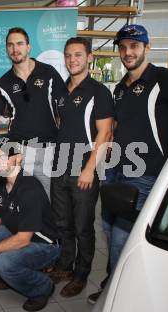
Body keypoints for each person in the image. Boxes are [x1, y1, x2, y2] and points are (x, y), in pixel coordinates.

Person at [87, 24, 168, 304]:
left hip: (144, 176)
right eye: (123, 47)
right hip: (116, 171)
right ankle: (114, 277)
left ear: (147, 48)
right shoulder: (121, 89)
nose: (128, 52)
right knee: (107, 229)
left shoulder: (162, 78)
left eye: (134, 46)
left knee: (121, 239)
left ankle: (117, 294)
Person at [0, 137, 60, 312]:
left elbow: (23, 239)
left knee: (3, 262)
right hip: (16, 233)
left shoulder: (30, 189)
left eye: (6, 156)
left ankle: (43, 287)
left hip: (44, 244)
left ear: (19, 158)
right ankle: (11, 276)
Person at [49, 37, 114, 297]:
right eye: (68, 55)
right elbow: (60, 124)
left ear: (89, 57)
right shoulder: (62, 90)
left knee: (83, 226)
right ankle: (64, 265)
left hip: (83, 167)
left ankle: (81, 273)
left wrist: (89, 169)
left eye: (77, 55)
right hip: (59, 165)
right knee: (62, 222)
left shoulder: (98, 91)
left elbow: (105, 132)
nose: (72, 59)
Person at [0, 27, 65, 199]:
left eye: (20, 44)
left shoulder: (48, 73)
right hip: (20, 152)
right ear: (7, 49)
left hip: (50, 151)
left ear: (28, 47)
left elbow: (64, 112)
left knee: (49, 204)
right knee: (22, 203)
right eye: (10, 45)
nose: (15, 49)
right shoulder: (4, 83)